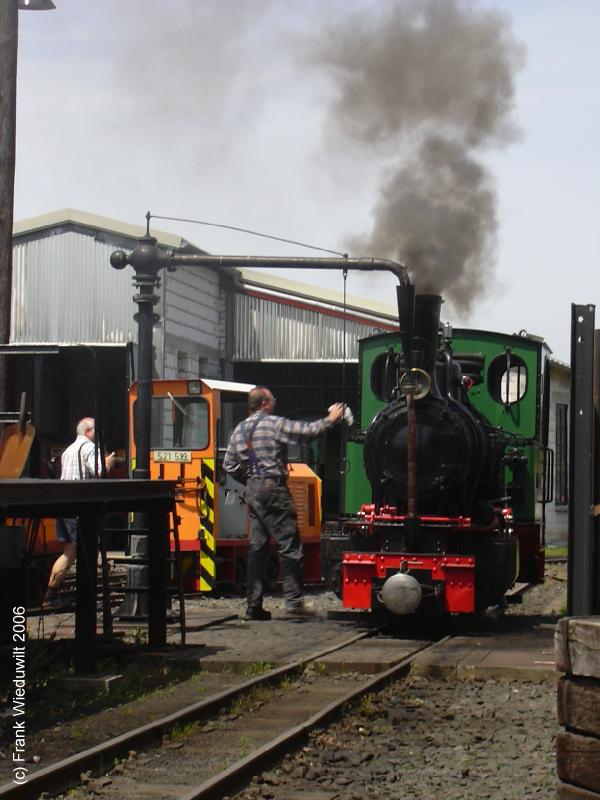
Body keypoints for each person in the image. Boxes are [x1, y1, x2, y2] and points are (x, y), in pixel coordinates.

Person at [224, 387, 344, 620]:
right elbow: (305, 432)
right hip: (274, 489)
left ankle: (253, 606)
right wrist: (330, 419)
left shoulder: (239, 430)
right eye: (273, 400)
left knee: (257, 549)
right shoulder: (274, 424)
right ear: (264, 404)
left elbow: (229, 465)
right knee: (290, 544)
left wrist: (250, 480)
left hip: (253, 491)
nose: (275, 403)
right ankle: (293, 602)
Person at [43, 417, 116, 611]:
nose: (98, 435)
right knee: (86, 552)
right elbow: (99, 472)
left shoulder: (68, 451)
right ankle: (87, 599)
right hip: (80, 509)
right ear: (89, 432)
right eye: (96, 431)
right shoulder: (89, 448)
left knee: (69, 553)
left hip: (63, 507)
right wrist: (108, 462)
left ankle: (51, 595)